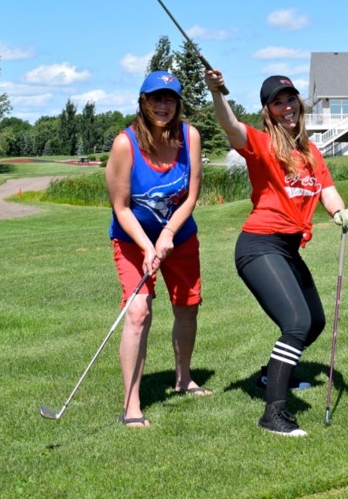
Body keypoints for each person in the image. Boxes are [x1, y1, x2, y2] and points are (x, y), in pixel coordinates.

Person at [204, 70, 348, 437]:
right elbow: (229, 124)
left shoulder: (310, 150)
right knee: (296, 324)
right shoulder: (260, 143)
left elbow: (326, 190)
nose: (286, 107)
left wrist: (338, 211)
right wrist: (216, 92)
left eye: (290, 99)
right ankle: (274, 412)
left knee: (314, 322)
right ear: (268, 110)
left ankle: (270, 375)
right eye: (277, 102)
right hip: (259, 245)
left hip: (287, 248)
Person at [106, 71, 210, 428]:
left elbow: (192, 195)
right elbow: (120, 206)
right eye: (155, 98)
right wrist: (149, 245)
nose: (162, 106)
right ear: (143, 102)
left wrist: (166, 235)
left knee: (187, 309)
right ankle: (131, 405)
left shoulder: (189, 136)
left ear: (178, 103)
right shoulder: (125, 143)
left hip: (179, 237)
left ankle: (183, 379)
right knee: (138, 312)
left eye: (169, 99)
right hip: (132, 239)